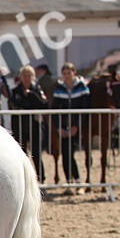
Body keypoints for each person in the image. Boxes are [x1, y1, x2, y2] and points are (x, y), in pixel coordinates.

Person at [50, 62, 89, 193]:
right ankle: (69, 182)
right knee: (65, 154)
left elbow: (85, 108)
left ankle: (78, 182)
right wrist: (59, 128)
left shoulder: (82, 87)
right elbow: (54, 110)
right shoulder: (59, 88)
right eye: (64, 73)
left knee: (70, 153)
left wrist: (76, 126)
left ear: (74, 73)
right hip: (63, 127)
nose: (66, 76)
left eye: (69, 73)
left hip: (77, 127)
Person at [10, 64, 48, 183]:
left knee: (36, 153)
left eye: (29, 75)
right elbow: (13, 104)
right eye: (24, 76)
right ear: (21, 77)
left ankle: (41, 179)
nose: (26, 78)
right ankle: (24, 180)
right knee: (22, 154)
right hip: (20, 126)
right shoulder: (15, 91)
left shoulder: (37, 89)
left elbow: (44, 104)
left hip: (34, 125)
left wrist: (31, 95)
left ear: (33, 77)